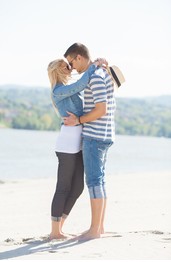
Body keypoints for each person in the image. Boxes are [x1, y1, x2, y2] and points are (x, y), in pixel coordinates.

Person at [47, 57, 107, 240]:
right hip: (67, 143)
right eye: (66, 66)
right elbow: (80, 85)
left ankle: (60, 227)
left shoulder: (66, 89)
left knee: (78, 187)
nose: (70, 68)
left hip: (80, 141)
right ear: (58, 70)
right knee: (63, 187)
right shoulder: (58, 90)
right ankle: (54, 232)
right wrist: (92, 67)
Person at [63, 43, 116, 241]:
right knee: (100, 180)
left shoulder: (94, 77)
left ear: (78, 57)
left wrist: (78, 120)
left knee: (94, 181)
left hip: (95, 136)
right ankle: (99, 227)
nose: (71, 68)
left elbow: (100, 109)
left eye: (70, 62)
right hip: (105, 134)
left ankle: (94, 230)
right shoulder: (101, 73)